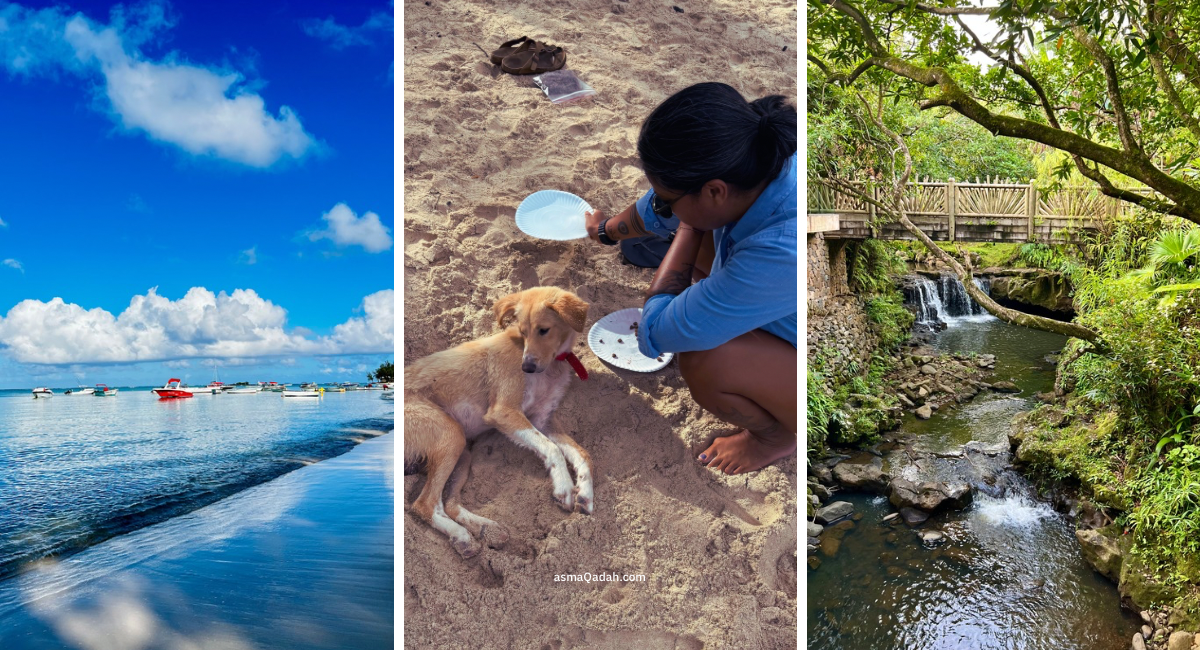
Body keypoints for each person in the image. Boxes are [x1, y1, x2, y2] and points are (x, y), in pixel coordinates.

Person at [584, 82, 797, 475]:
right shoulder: (754, 157)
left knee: (704, 357)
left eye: (668, 198)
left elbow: (656, 334)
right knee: (693, 233)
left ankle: (778, 436)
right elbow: (658, 209)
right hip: (773, 297)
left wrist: (686, 227)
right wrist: (606, 231)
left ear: (715, 191)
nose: (660, 203)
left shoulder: (782, 248)